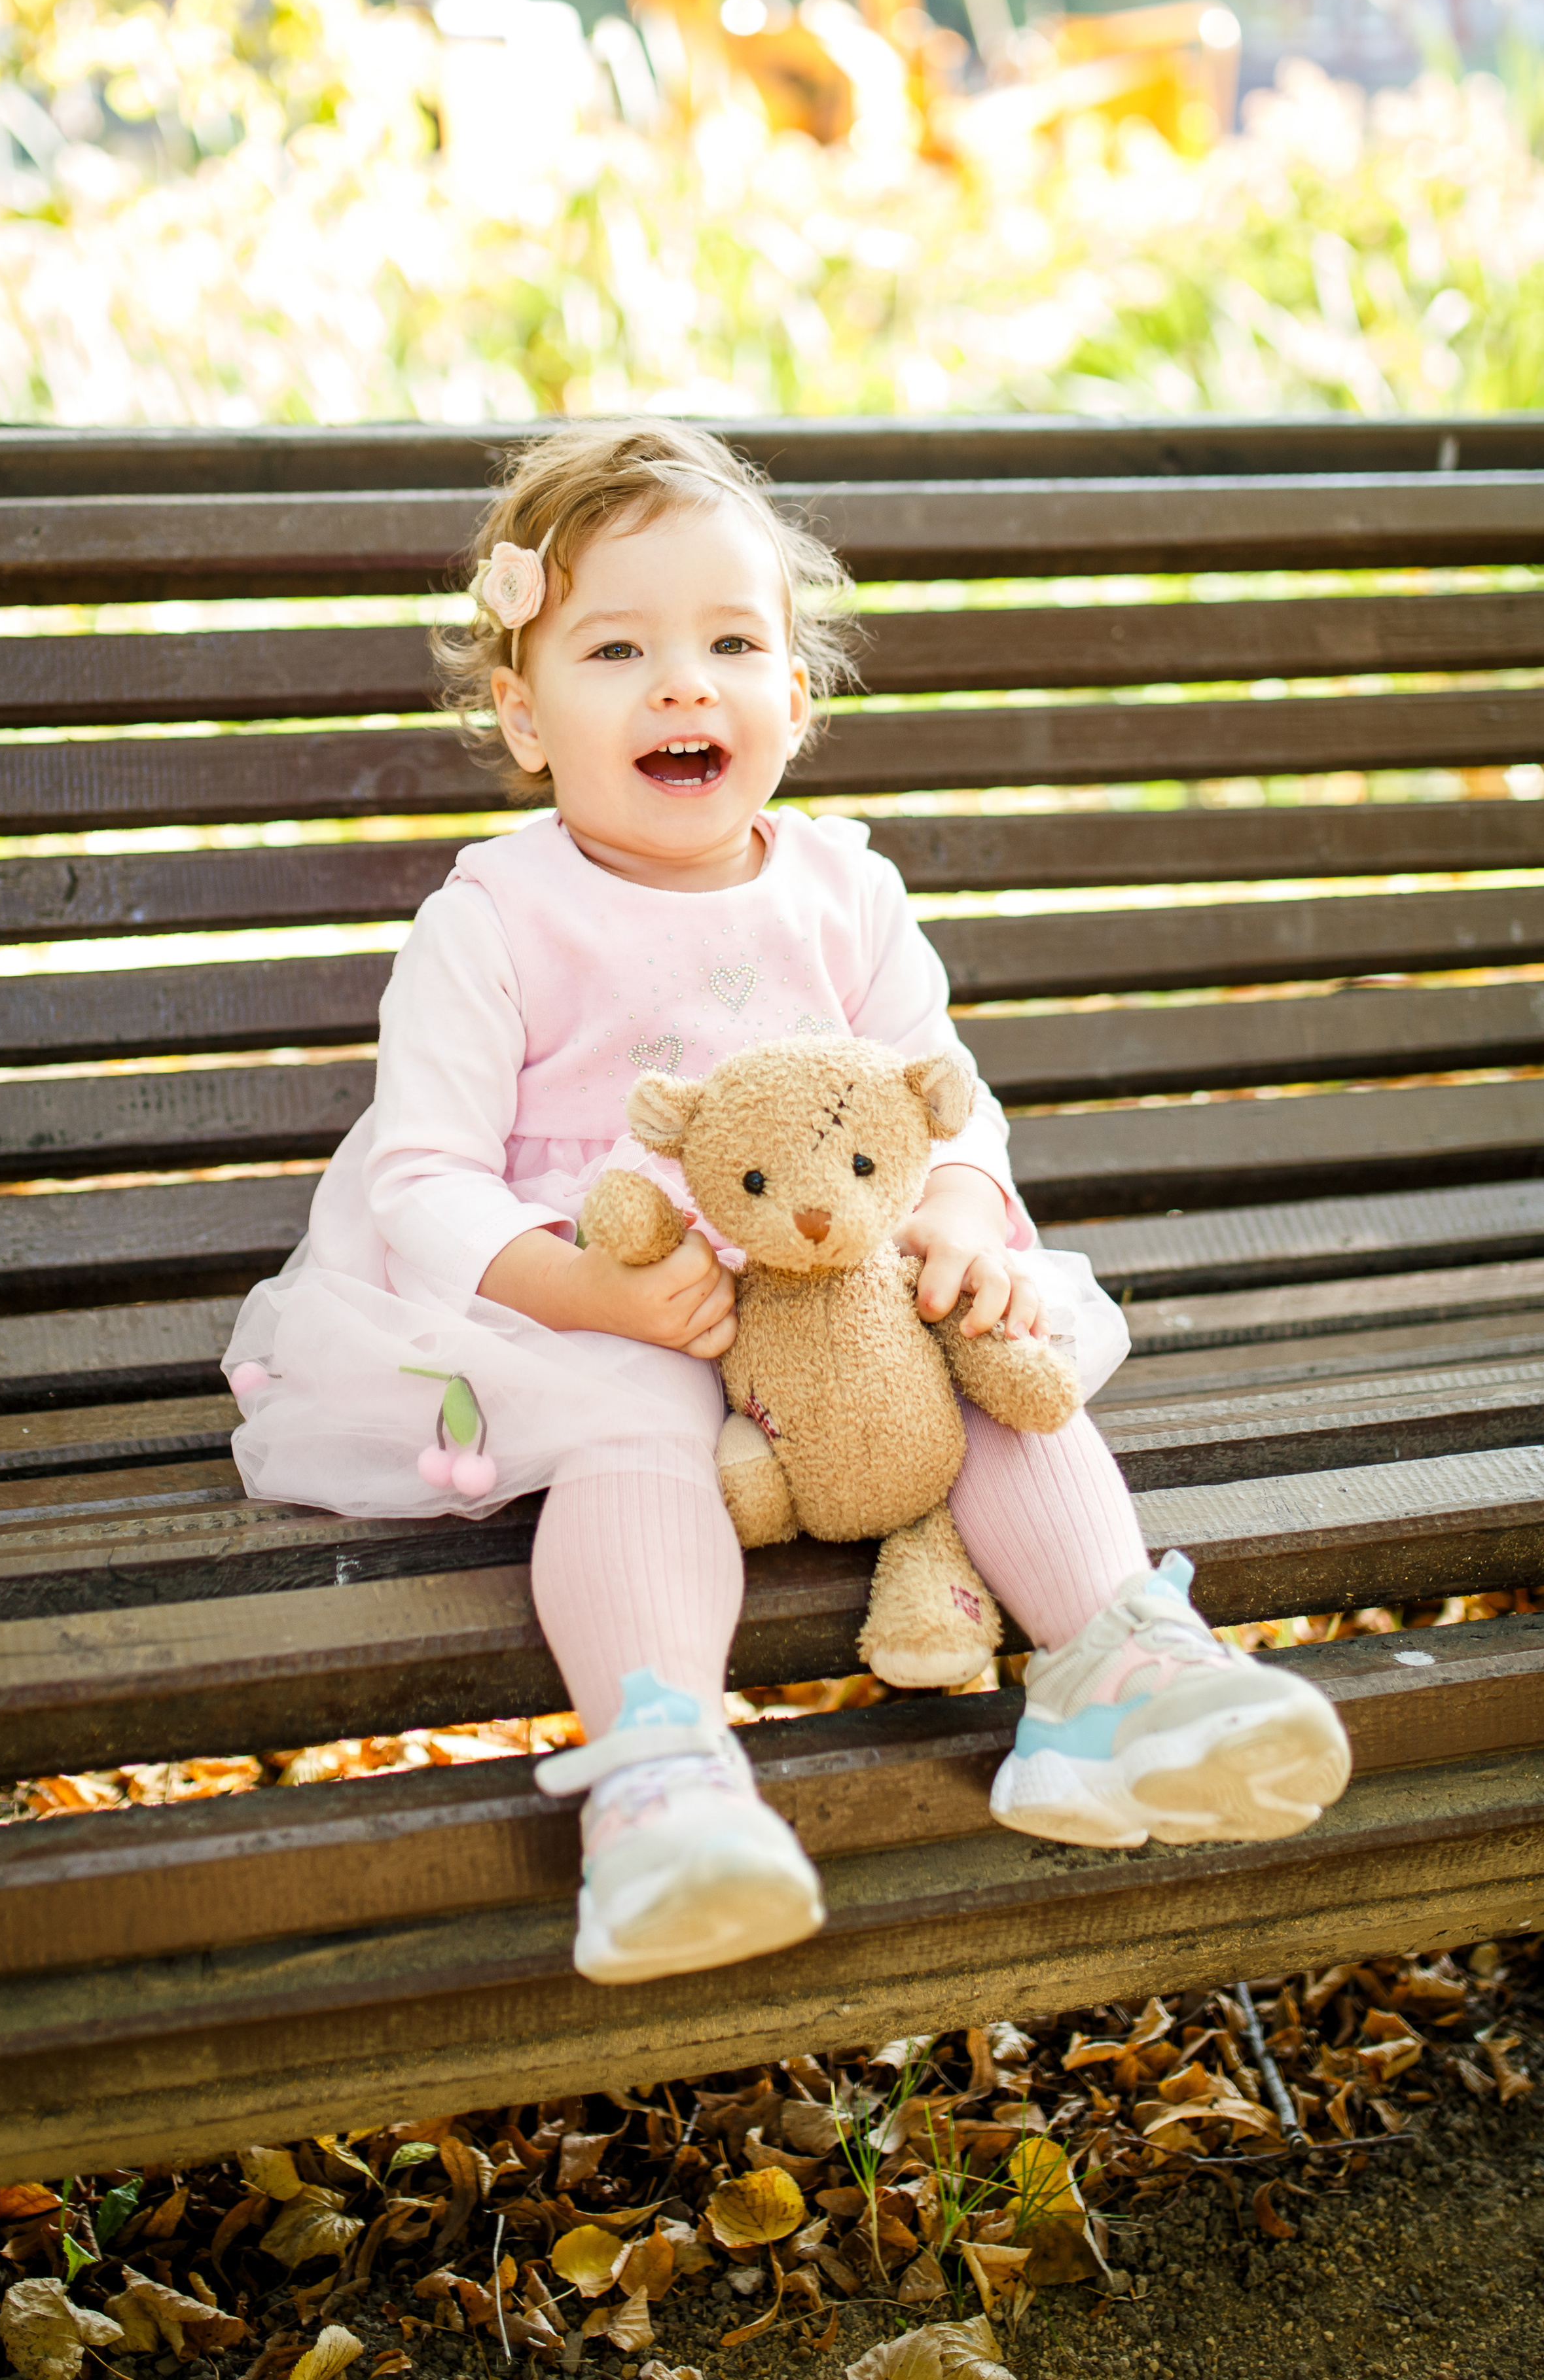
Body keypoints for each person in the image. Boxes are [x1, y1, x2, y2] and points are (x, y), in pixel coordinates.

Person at [224, 419, 1349, 1986]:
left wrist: (958, 1213)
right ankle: (663, 1779)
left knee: (981, 1353)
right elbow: (420, 1174)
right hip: (591, 1289)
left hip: (829, 1278)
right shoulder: (491, 916)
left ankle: (1113, 1669)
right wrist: (588, 1293)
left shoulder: (849, 891)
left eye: (730, 643)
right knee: (633, 1426)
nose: (683, 683)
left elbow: (940, 1098)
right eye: (615, 647)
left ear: (794, 701)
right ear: (522, 714)